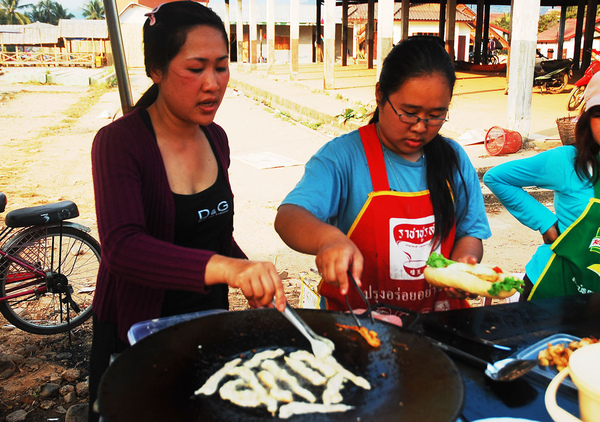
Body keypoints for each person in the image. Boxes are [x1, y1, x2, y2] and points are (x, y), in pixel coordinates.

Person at [88, 2, 285, 420]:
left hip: (206, 325)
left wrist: (249, 271)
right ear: (156, 70)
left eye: (222, 66)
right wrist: (226, 269)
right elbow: (123, 247)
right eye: (195, 69)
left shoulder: (217, 139)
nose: (213, 84)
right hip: (136, 330)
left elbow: (212, 232)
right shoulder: (119, 142)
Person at [274, 36, 491, 316]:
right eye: (409, 113)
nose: (420, 127)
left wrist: (465, 262)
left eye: (436, 115)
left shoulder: (454, 159)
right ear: (380, 94)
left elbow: (470, 232)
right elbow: (289, 216)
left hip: (441, 322)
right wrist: (327, 239)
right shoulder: (343, 157)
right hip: (360, 325)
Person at [484, 72, 600, 301]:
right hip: (551, 288)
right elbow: (497, 177)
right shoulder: (567, 162)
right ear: (588, 118)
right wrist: (545, 222)